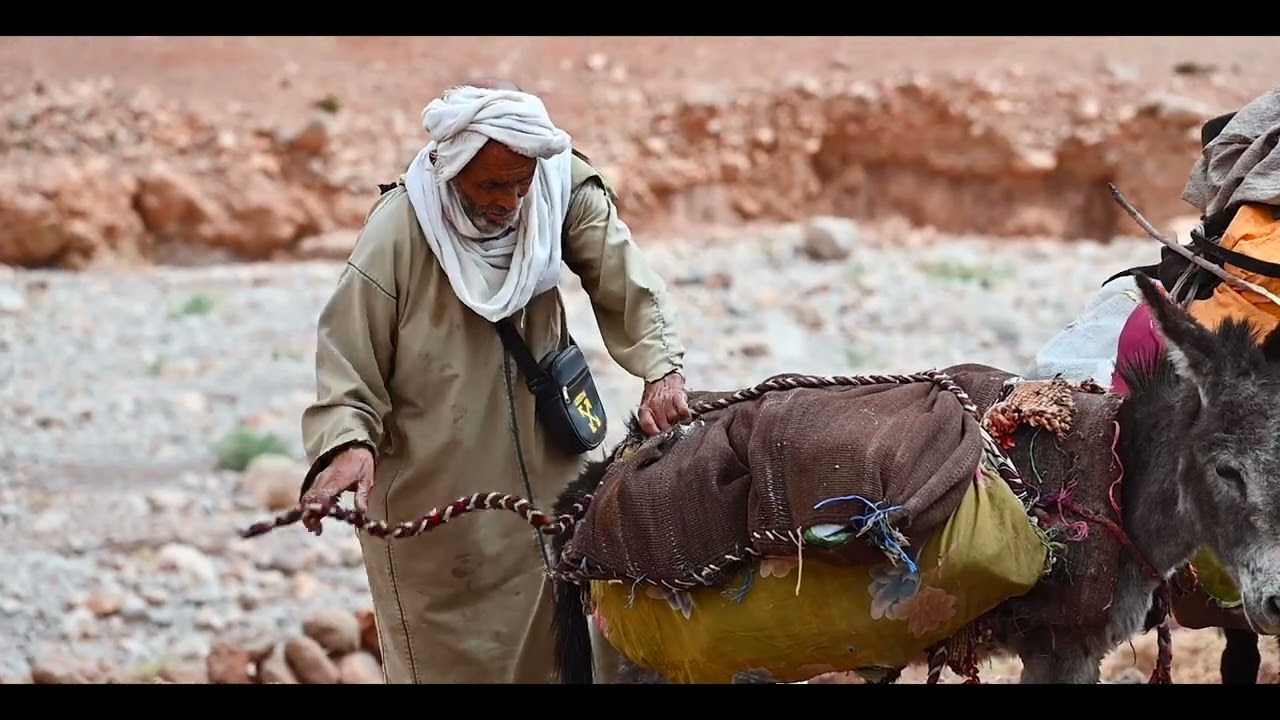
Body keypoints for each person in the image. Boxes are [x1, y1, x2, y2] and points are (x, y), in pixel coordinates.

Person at [295, 77, 693, 684]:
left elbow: (626, 280)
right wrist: (345, 444)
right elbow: (348, 358)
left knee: (575, 638)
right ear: (452, 171)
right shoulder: (398, 232)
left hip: (551, 475)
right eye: (490, 185)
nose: (509, 201)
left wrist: (661, 370)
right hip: (439, 495)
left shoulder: (559, 188)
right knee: (456, 658)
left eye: (518, 182)